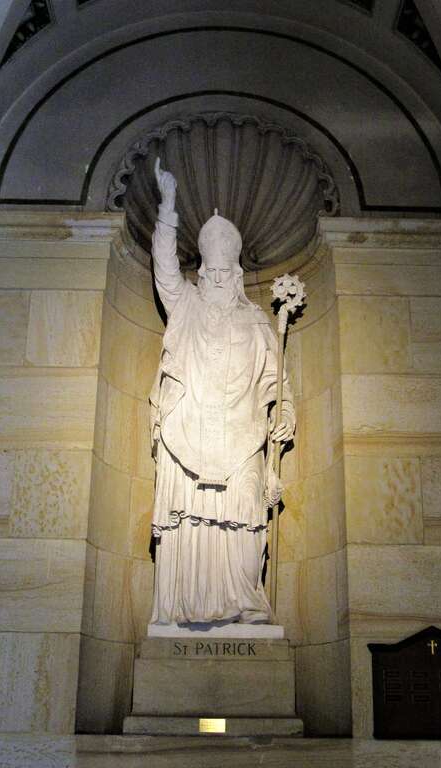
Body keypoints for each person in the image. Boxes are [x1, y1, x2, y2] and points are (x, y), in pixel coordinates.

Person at [149, 157, 295, 625]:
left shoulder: (257, 322)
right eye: (208, 274)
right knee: (187, 521)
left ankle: (242, 604)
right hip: (186, 430)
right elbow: (165, 269)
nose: (214, 281)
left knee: (245, 518)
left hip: (242, 438)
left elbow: (278, 383)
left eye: (222, 274)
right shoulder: (184, 304)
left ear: (234, 275)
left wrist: (285, 412)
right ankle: (180, 608)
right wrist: (168, 207)